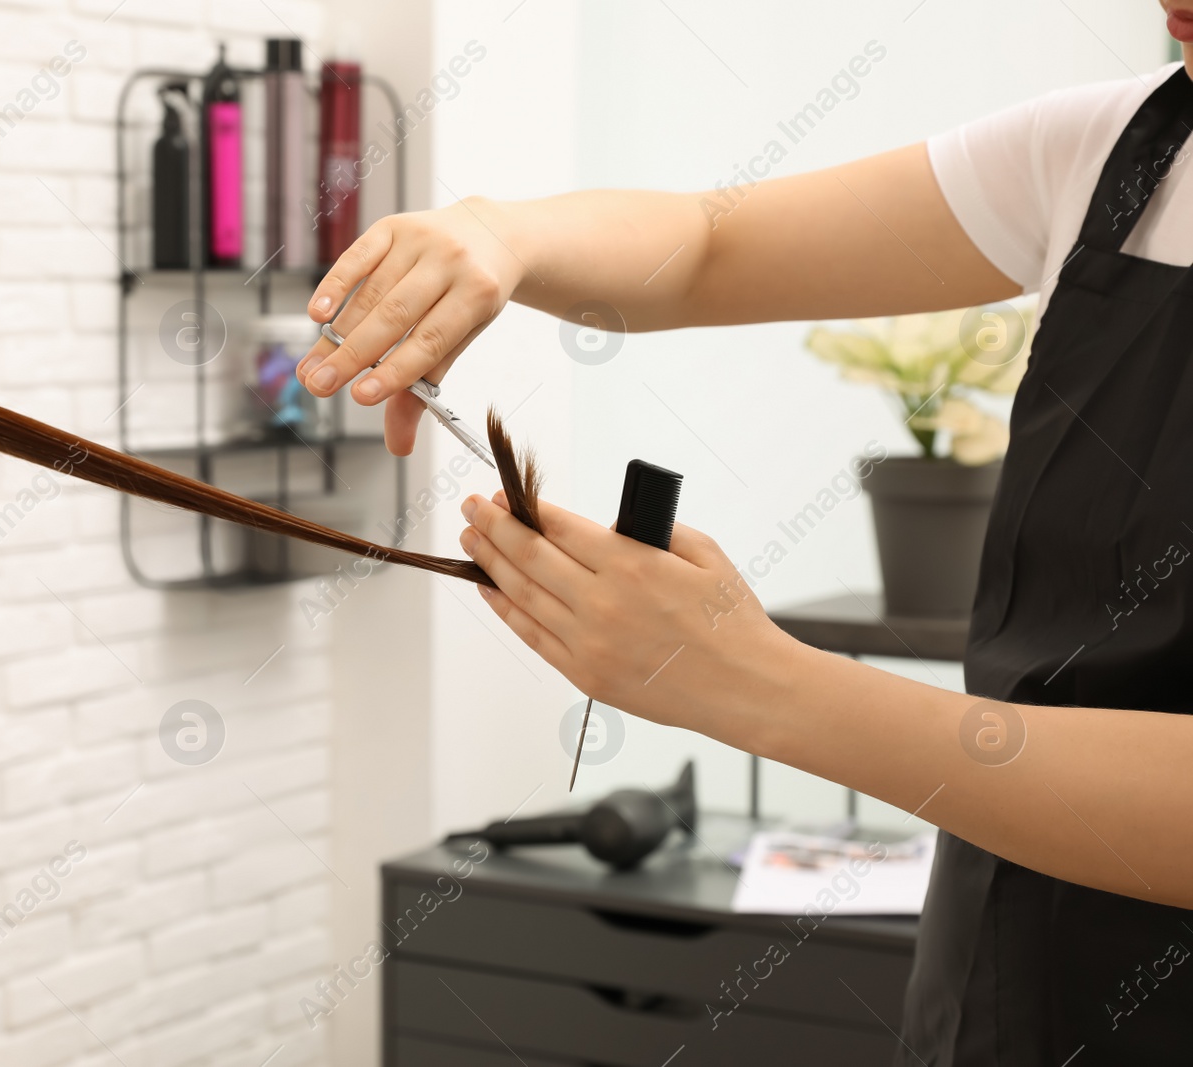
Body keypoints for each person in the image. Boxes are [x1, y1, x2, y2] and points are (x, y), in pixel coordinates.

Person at [297, 7, 1193, 1063]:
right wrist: (500, 232)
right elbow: (709, 246)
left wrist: (757, 682)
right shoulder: (1122, 153)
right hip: (998, 989)